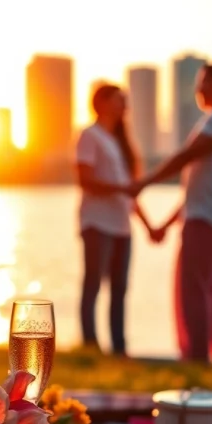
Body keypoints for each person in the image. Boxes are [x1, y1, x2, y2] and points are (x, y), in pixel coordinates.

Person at [129, 63, 212, 363]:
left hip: (208, 218)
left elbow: (186, 156)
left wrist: (144, 182)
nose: (199, 89)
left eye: (204, 82)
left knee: (194, 290)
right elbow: (195, 189)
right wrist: (166, 224)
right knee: (211, 287)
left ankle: (197, 358)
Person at [75, 84, 158, 356]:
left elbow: (129, 192)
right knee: (93, 285)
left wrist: (148, 226)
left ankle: (119, 349)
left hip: (122, 227)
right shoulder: (89, 136)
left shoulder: (120, 142)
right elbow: (85, 180)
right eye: (119, 100)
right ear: (101, 103)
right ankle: (90, 348)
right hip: (97, 223)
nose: (125, 105)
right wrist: (122, 189)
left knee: (120, 289)